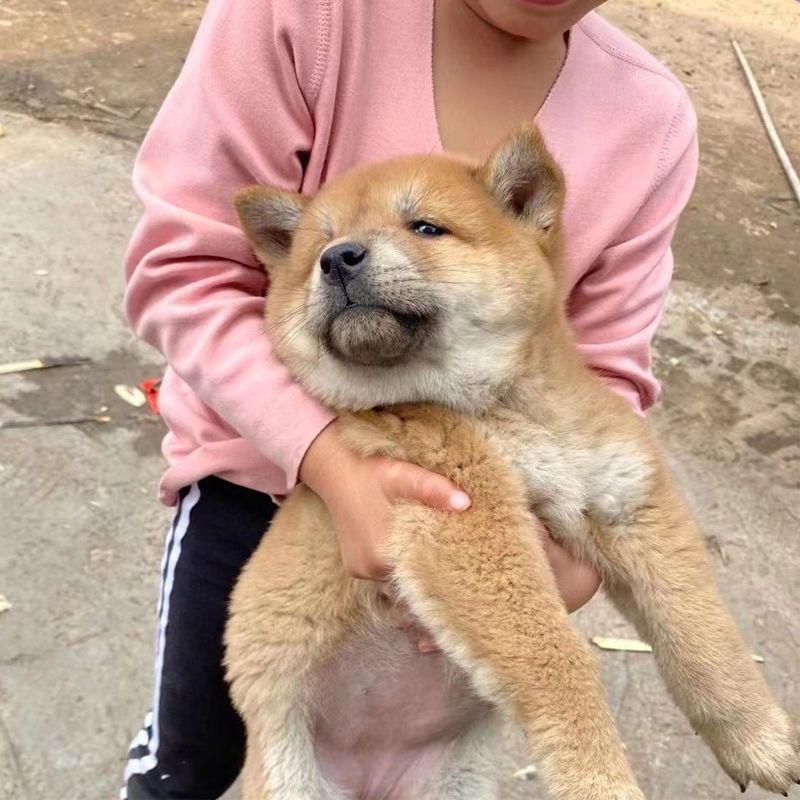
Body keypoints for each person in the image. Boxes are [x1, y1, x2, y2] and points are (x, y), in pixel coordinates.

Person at [119, 0, 698, 797]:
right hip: (254, 486)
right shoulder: (305, 15)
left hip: (503, 516)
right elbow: (183, 268)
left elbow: (607, 366)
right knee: (192, 760)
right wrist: (328, 458)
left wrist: (575, 558)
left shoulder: (648, 119)